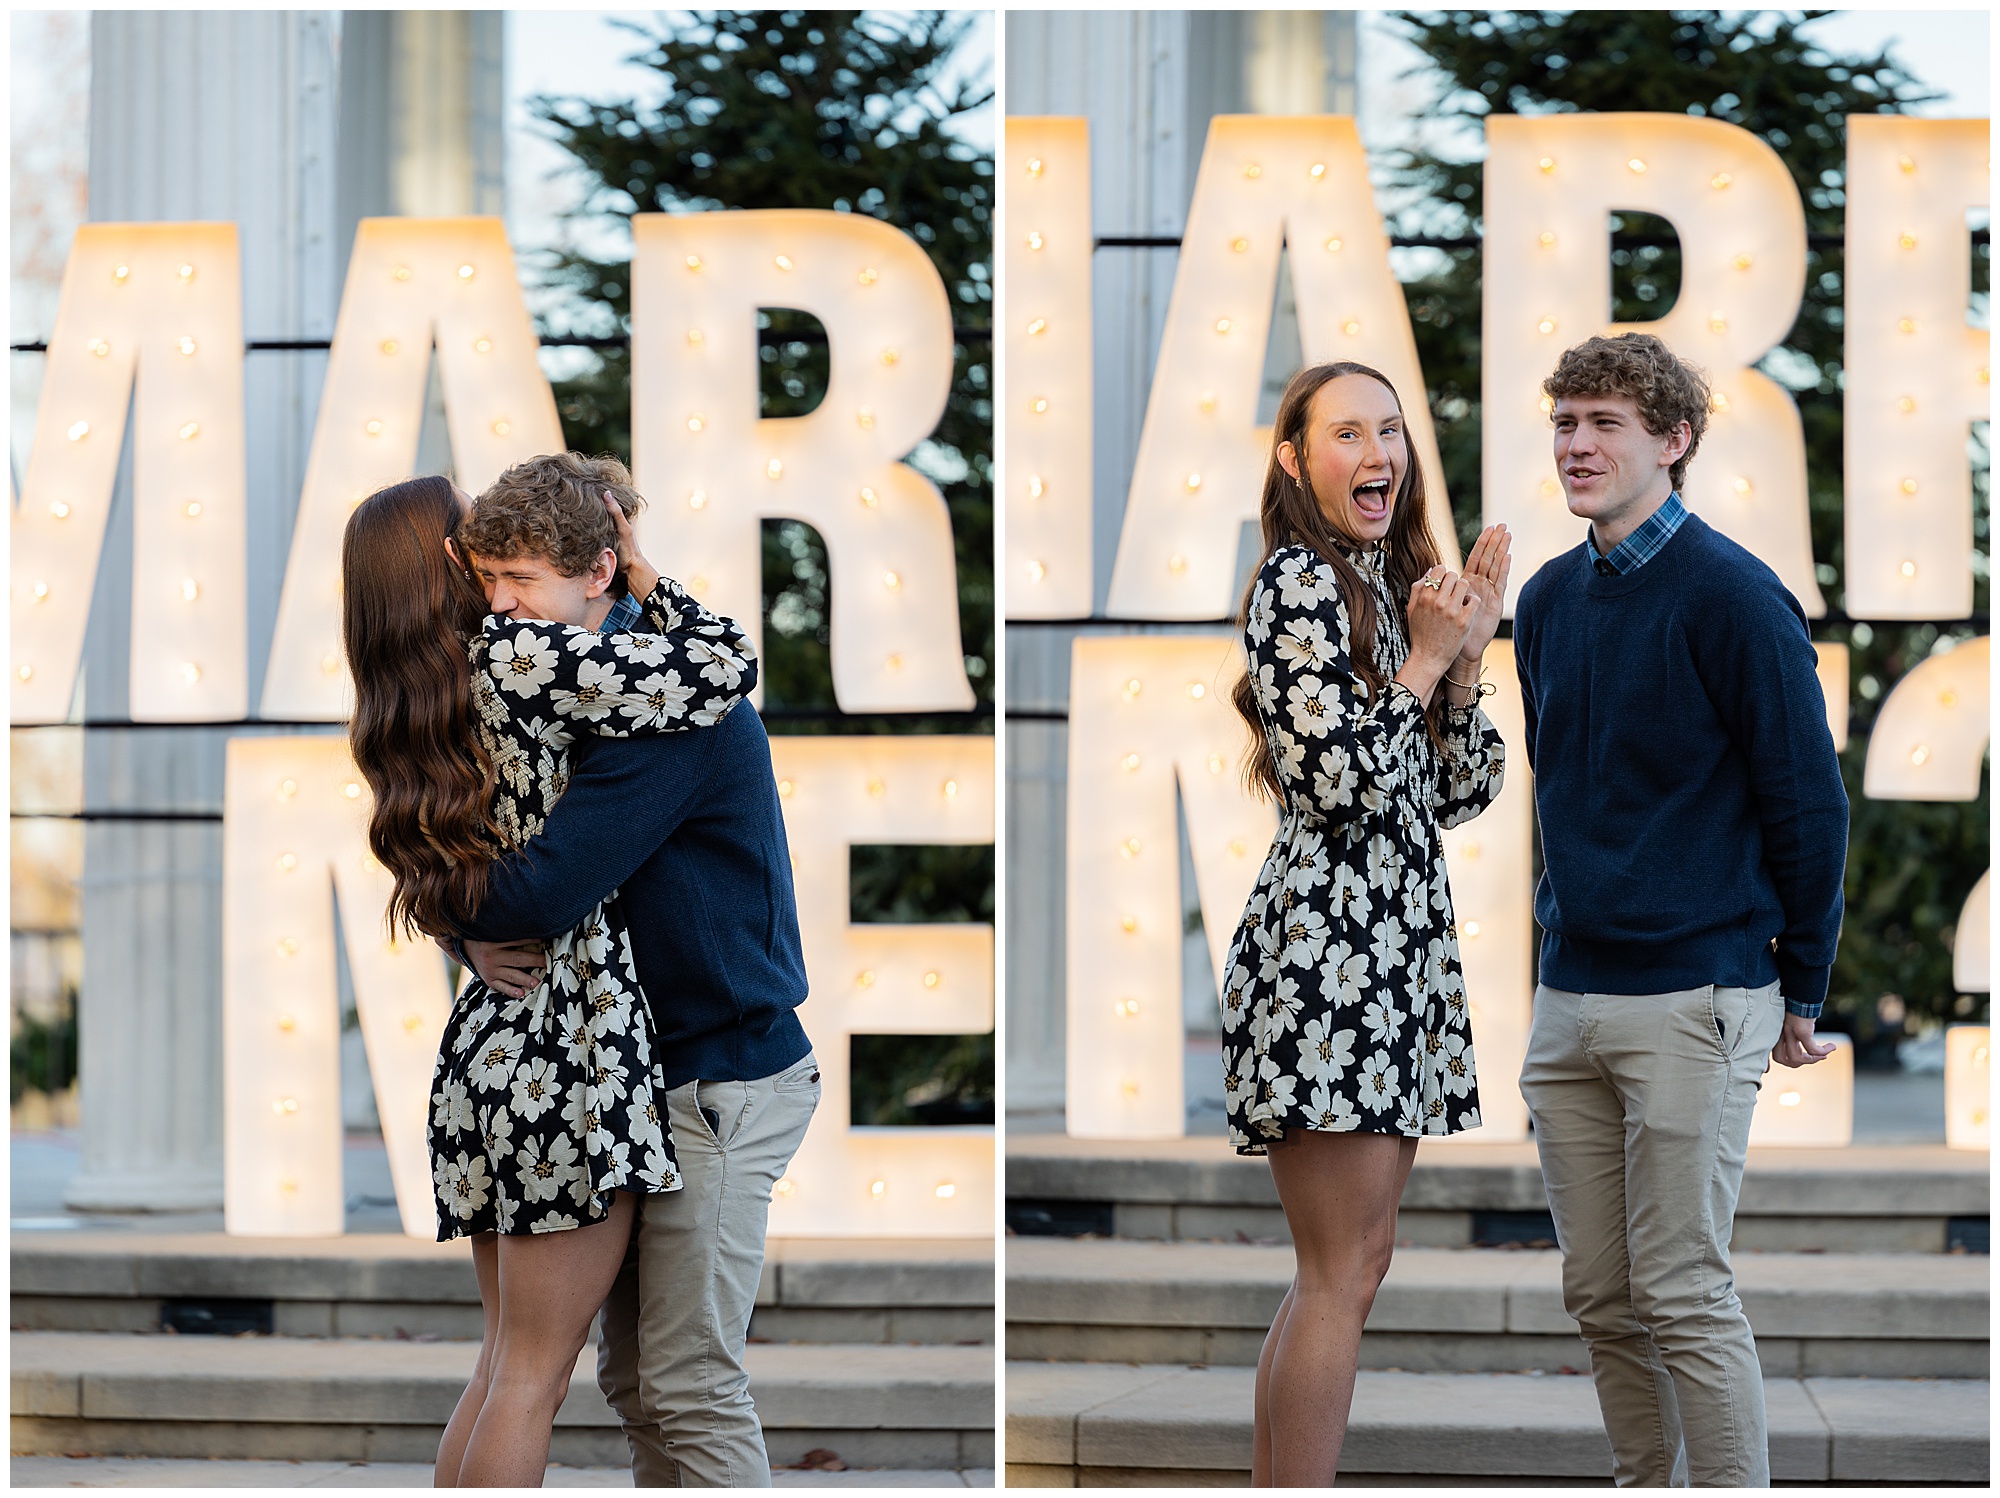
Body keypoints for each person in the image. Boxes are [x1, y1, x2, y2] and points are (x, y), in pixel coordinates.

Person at [342, 456, 756, 1487]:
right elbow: (718, 671)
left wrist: (460, 928)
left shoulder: (408, 699)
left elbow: (434, 863)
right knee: (531, 1377)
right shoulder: (520, 653)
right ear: (450, 559)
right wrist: (643, 573)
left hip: (489, 1035)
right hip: (569, 1038)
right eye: (475, 538)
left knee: (499, 1366)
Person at [1513, 332, 1848, 1488]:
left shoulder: (1734, 596)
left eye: (1603, 423)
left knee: (1681, 1290)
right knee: (1599, 1296)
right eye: (1564, 422)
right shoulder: (1544, 600)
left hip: (1696, 997)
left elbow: (1807, 802)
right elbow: (1560, 794)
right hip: (1567, 1002)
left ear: (1673, 440)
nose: (1575, 444)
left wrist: (1802, 982)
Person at [448, 497, 818, 1486]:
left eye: (519, 580)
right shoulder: (590, 689)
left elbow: (546, 885)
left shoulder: (670, 713)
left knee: (689, 1383)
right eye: (487, 580)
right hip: (642, 1081)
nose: (498, 606)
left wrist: (455, 912)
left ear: (599, 572)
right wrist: (461, 924)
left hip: (721, 1077)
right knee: (640, 1383)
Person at [1220, 360, 1511, 1485]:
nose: (1377, 452)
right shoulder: (1298, 580)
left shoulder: (1386, 585)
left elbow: (1458, 790)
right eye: (1346, 433)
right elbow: (1337, 782)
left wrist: (1463, 663)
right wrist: (1425, 660)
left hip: (1390, 955)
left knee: (1350, 1264)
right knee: (1339, 1268)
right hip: (1329, 958)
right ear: (1294, 460)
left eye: (1388, 429)